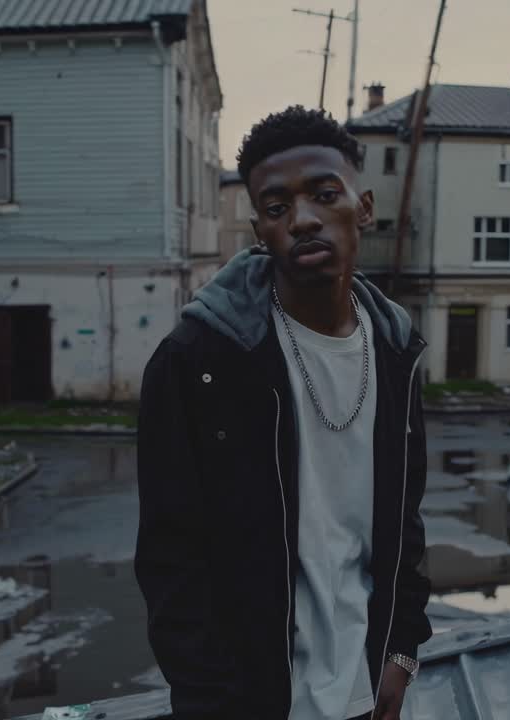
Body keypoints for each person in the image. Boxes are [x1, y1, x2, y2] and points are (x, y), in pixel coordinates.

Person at [135, 106, 431, 720]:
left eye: (325, 195)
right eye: (277, 208)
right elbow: (170, 555)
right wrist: (210, 702)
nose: (302, 220)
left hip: (365, 691)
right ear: (260, 230)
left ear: (365, 208)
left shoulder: (398, 347)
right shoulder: (199, 359)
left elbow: (404, 520)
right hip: (251, 699)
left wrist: (401, 650)